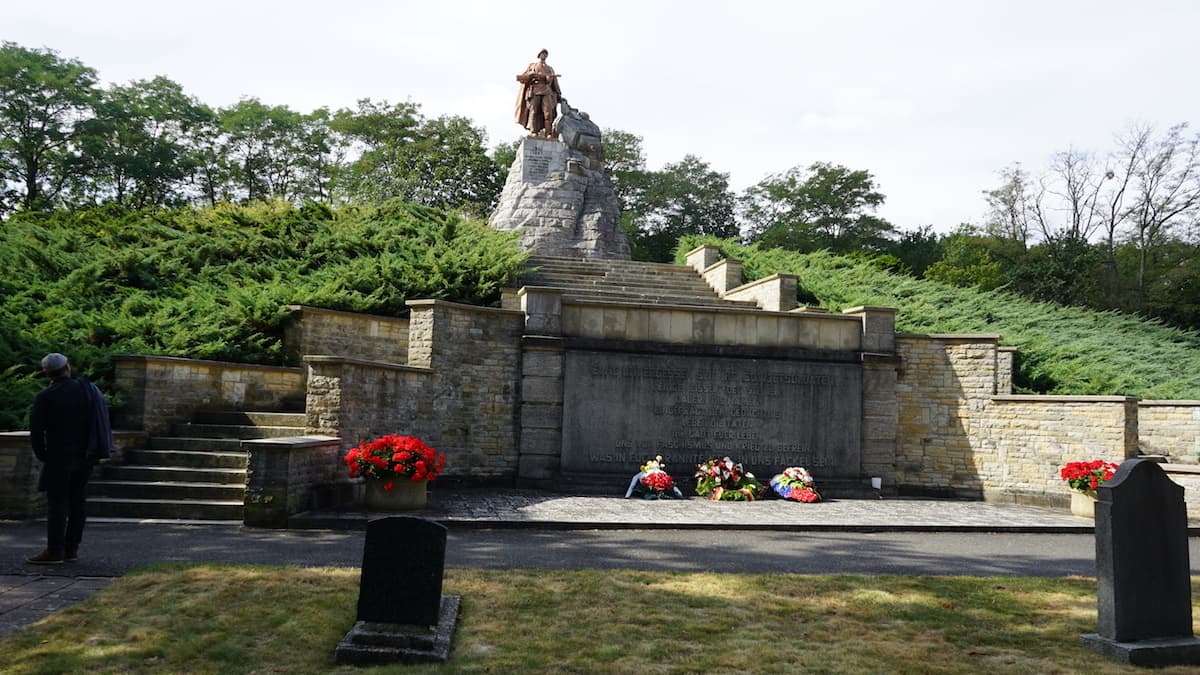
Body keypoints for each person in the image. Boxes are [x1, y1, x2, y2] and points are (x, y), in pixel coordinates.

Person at [26, 353, 96, 564]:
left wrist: (42, 454)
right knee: (78, 502)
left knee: (58, 505)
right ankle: (71, 549)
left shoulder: (45, 396)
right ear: (68, 367)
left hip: (59, 456)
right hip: (85, 455)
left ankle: (55, 551)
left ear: (46, 373)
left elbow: (36, 431)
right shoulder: (86, 391)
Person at [514, 48, 562, 137]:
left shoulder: (550, 68)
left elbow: (555, 83)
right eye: (542, 53)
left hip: (547, 91)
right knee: (534, 112)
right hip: (535, 91)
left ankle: (549, 133)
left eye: (545, 54)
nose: (544, 55)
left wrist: (558, 93)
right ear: (539, 55)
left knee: (548, 113)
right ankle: (534, 132)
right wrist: (531, 75)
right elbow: (522, 77)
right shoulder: (532, 66)